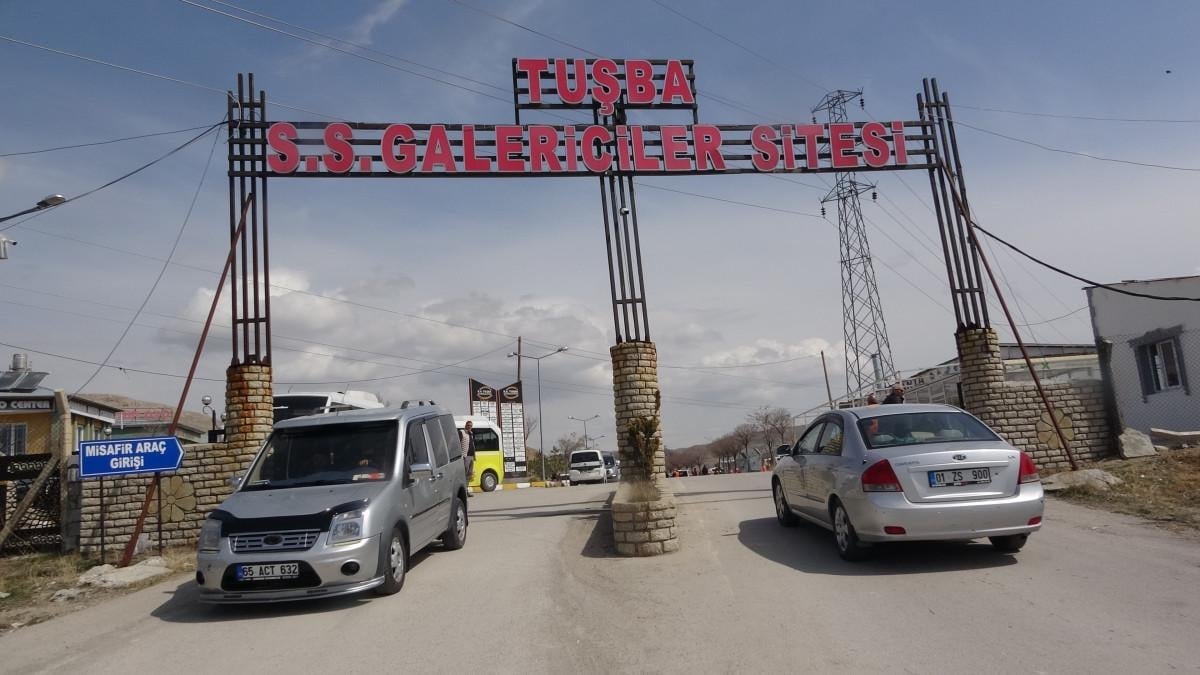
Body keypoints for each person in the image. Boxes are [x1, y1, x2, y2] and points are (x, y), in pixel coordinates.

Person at [459, 420, 476, 494]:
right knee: (464, 474)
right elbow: (458, 443)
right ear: (465, 425)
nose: (469, 427)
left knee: (469, 475)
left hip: (471, 457)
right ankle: (463, 491)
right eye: (468, 425)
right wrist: (461, 456)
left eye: (471, 426)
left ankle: (466, 490)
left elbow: (472, 445)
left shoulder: (471, 433)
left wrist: (474, 456)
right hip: (465, 456)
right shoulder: (461, 432)